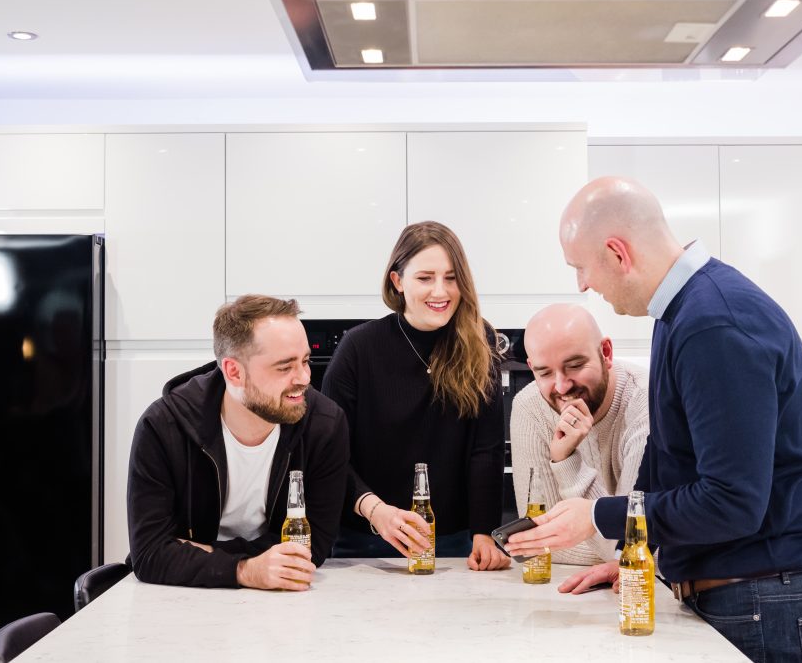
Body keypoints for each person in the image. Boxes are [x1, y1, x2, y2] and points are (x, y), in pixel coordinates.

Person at [505, 177, 802, 662]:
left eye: (580, 268)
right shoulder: (681, 315)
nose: (583, 284)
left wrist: (599, 517)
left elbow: (731, 501)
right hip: (748, 598)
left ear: (617, 252)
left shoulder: (712, 324)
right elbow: (671, 465)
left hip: (767, 606)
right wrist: (633, 552)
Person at [126, 295, 350, 591]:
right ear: (234, 371)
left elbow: (313, 546)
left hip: (280, 604)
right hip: (179, 600)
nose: (304, 378)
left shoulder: (325, 424)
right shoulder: (163, 427)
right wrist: (245, 570)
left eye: (305, 361)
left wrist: (198, 552)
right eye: (285, 368)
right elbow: (149, 554)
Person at [322, 221, 510, 571]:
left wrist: (485, 532)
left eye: (451, 278)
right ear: (398, 281)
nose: (441, 291)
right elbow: (330, 455)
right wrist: (376, 511)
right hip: (365, 543)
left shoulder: (477, 341)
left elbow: (486, 449)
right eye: (425, 278)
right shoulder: (359, 348)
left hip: (454, 542)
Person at [510, 303, 648, 566]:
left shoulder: (646, 404)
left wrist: (566, 462)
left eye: (574, 365)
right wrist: (617, 553)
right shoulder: (529, 407)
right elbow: (536, 543)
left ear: (605, 353)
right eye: (544, 372)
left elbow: (630, 543)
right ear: (531, 367)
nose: (562, 386)